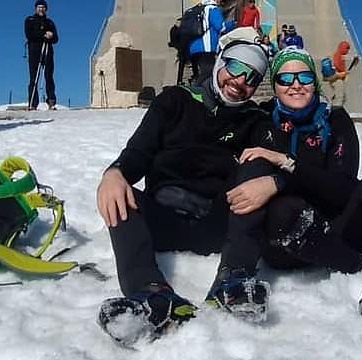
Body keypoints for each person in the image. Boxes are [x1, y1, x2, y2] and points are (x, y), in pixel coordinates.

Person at [205, 47, 362, 326]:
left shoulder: (334, 120)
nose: (295, 86)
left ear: (315, 83)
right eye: (285, 79)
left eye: (304, 78)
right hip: (289, 240)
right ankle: (357, 264)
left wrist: (283, 171)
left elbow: (342, 190)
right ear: (275, 86)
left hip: (338, 223)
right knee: (282, 209)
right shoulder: (260, 121)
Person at [96, 31, 271, 345]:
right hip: (163, 217)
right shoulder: (174, 101)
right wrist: (115, 173)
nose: (240, 80)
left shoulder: (255, 121)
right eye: (235, 67)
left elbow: (274, 162)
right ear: (219, 62)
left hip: (217, 222)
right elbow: (139, 152)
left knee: (258, 168)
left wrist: (270, 181)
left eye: (252, 77)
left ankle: (233, 278)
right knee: (120, 194)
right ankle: (151, 294)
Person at [188, 0, 235, 85]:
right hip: (206, 48)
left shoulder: (199, 9)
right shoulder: (212, 9)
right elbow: (221, 27)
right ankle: (194, 92)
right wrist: (233, 24)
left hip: (194, 48)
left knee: (204, 73)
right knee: (208, 72)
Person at [25, 0, 58, 110]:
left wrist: (51, 35)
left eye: (43, 7)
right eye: (39, 7)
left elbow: (56, 39)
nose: (41, 9)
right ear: (36, 8)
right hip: (34, 51)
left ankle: (51, 101)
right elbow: (29, 35)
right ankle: (33, 103)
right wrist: (43, 34)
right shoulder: (30, 20)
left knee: (49, 76)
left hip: (47, 51)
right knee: (34, 77)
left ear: (46, 9)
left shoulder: (50, 22)